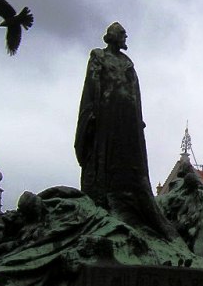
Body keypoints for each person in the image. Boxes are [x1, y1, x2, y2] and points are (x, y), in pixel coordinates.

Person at [75, 22, 175, 238]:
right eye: (123, 35)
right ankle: (104, 200)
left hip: (127, 119)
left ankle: (128, 204)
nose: (125, 39)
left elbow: (135, 92)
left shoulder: (127, 62)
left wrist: (138, 119)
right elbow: (92, 85)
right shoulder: (99, 56)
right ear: (113, 37)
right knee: (104, 157)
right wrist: (92, 113)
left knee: (130, 161)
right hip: (106, 115)